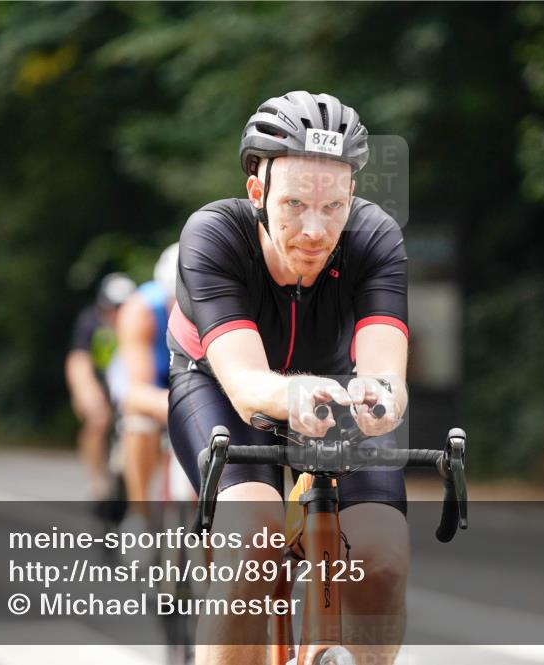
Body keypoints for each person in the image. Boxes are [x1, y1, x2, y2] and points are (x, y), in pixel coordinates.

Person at [167, 91, 410, 664]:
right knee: (252, 541)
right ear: (258, 190)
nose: (314, 230)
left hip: (334, 390)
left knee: (382, 560)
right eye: (295, 204)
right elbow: (248, 382)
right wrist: (293, 392)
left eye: (332, 207)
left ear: (353, 194)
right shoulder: (214, 235)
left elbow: (384, 375)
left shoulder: (375, 237)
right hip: (222, 388)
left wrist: (380, 398)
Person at [112, 244, 188, 528]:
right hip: (151, 382)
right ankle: (139, 513)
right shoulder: (141, 309)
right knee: (138, 420)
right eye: (177, 301)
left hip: (190, 384)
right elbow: (138, 388)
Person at [65, 272, 136, 507]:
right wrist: (86, 392)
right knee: (97, 419)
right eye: (112, 308)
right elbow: (78, 360)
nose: (116, 314)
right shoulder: (90, 322)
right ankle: (97, 481)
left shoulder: (143, 320)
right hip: (101, 384)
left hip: (131, 385)